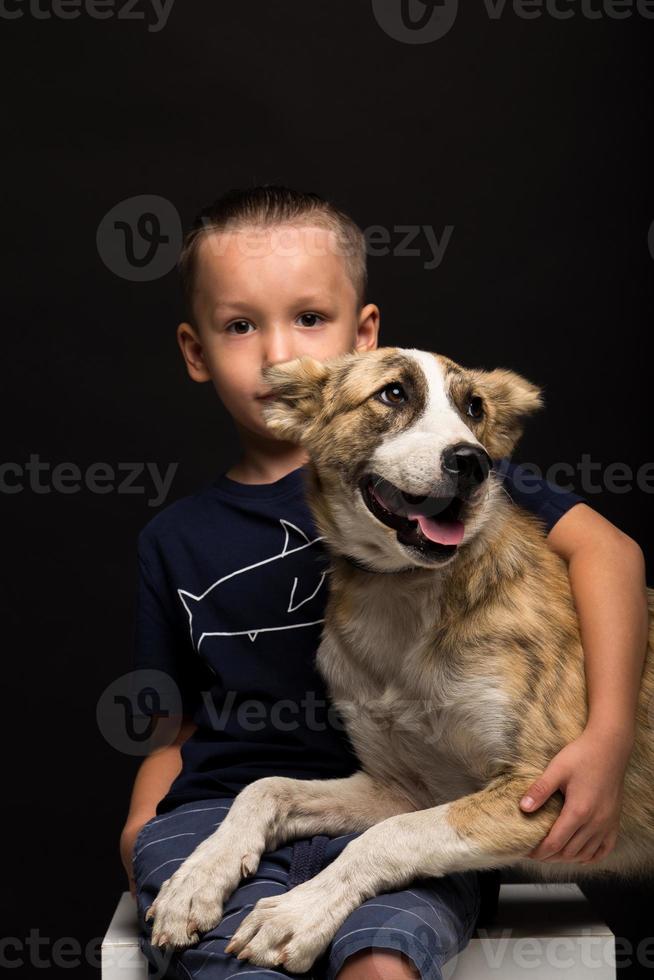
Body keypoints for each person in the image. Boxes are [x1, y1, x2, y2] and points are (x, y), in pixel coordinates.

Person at [120, 185, 649, 980]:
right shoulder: (190, 539)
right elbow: (181, 729)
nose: (281, 355)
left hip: (486, 806)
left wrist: (607, 738)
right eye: (241, 325)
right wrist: (144, 827)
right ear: (196, 349)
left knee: (380, 952)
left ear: (361, 330)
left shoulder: (484, 499)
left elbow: (610, 555)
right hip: (300, 803)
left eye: (308, 319)